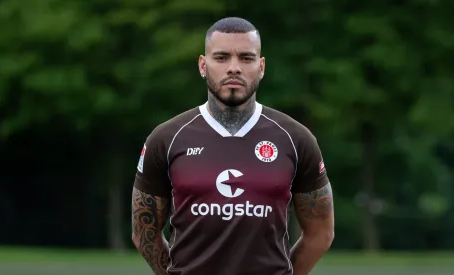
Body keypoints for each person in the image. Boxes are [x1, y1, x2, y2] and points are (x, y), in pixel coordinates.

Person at [131, 17, 334, 275]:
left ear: (261, 67)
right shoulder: (166, 139)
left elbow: (320, 233)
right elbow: (144, 233)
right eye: (222, 57)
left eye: (246, 58)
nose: (234, 68)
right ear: (203, 66)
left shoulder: (296, 139)